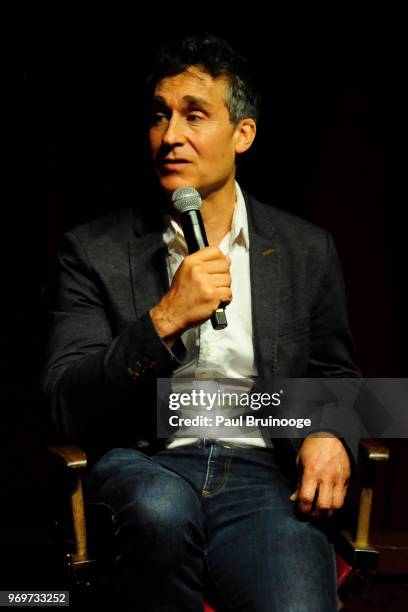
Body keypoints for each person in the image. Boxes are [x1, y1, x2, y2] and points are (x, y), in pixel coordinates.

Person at [42, 33, 360, 611]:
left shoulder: (305, 248)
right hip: (147, 460)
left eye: (194, 115)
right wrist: (164, 319)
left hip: (264, 473)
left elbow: (338, 375)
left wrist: (332, 433)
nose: (170, 136)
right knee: (160, 510)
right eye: (160, 116)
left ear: (243, 134)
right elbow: (63, 401)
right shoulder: (94, 250)